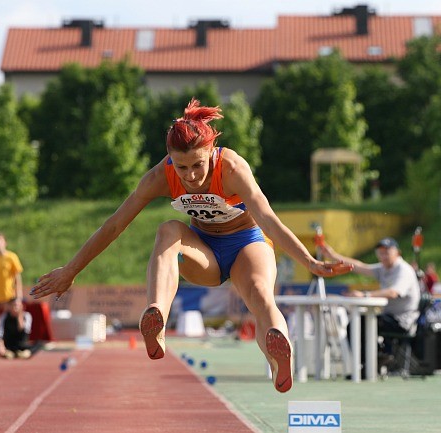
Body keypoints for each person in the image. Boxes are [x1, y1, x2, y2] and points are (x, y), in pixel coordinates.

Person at [29, 98, 353, 393]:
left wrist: (309, 262)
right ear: (171, 160)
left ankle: (279, 356)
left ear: (212, 153)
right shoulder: (161, 175)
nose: (191, 176)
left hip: (247, 244)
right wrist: (71, 270)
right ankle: (156, 314)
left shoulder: (233, 169)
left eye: (198, 165)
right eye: (181, 167)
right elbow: (115, 224)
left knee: (259, 293)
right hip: (205, 251)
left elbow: (268, 219)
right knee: (168, 230)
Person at [320, 237, 420, 361]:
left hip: (402, 320)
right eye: (380, 252)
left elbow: (393, 292)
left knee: (359, 324)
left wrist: (364, 295)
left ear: (397, 252)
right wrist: (333, 256)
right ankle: (366, 364)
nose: (383, 255)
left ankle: (365, 365)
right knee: (358, 323)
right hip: (389, 316)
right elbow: (358, 266)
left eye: (387, 252)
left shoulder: (403, 270)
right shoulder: (383, 268)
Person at [0, 232, 24, 341]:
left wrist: (19, 295)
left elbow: (17, 278)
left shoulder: (11, 257)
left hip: (8, 294)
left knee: (13, 318)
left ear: (5, 242)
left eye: (0, 240)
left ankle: (17, 341)